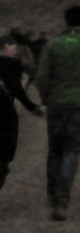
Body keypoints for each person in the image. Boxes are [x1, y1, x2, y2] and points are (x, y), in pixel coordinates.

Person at [35, 5, 80, 221]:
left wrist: (46, 99)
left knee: (55, 150)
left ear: (65, 20)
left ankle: (52, 195)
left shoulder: (53, 45)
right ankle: (62, 201)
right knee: (71, 152)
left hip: (56, 104)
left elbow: (42, 78)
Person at [0, 36, 44, 191]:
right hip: (4, 113)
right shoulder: (12, 64)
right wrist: (32, 107)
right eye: (14, 47)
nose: (16, 51)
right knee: (4, 156)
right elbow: (16, 89)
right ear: (6, 46)